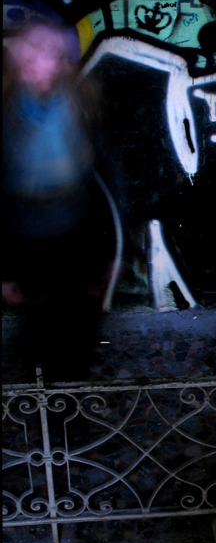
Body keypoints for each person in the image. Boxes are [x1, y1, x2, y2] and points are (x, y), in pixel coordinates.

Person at [2, 20, 114, 381]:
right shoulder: (7, 109)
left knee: (76, 327)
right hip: (24, 234)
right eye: (31, 53)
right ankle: (42, 397)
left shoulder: (83, 103)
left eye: (48, 53)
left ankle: (71, 394)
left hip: (75, 230)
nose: (38, 62)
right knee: (36, 330)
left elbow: (106, 176)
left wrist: (111, 248)